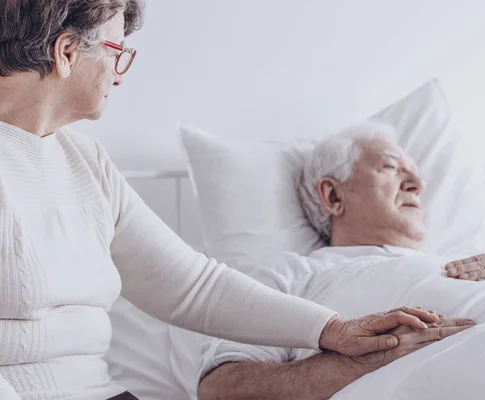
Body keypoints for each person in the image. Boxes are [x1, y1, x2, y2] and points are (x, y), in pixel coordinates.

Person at [0, 2, 436, 399]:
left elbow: (193, 287)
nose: (119, 72)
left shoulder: (86, 162)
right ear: (67, 53)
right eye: (118, 50)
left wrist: (331, 329)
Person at [189, 122, 485, 399]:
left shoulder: (476, 261)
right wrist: (359, 364)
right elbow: (221, 388)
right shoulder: (292, 274)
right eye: (391, 168)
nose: (417, 185)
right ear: (333, 196)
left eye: (416, 175)